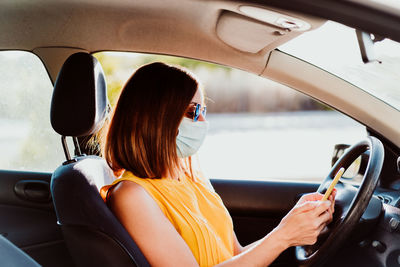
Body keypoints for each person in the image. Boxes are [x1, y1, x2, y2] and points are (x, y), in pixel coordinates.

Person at [100, 62, 336, 267]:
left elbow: (237, 256)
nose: (202, 121)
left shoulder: (191, 178)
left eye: (203, 110)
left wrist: (291, 225)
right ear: (155, 119)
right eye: (193, 111)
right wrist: (284, 236)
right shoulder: (132, 195)